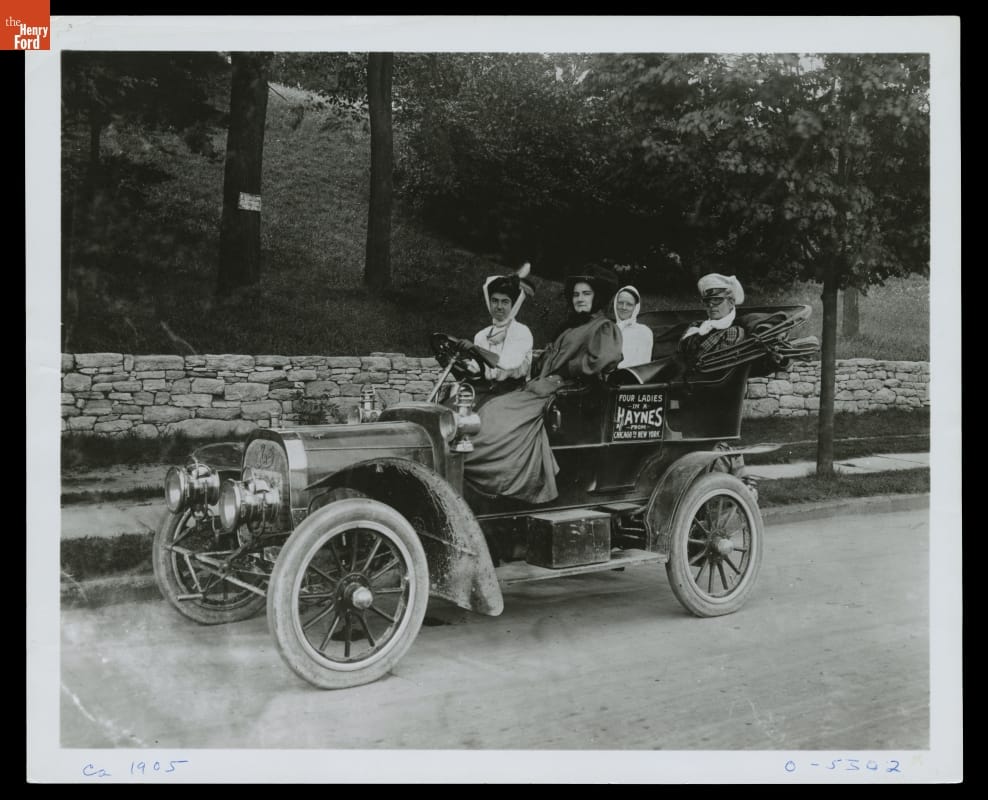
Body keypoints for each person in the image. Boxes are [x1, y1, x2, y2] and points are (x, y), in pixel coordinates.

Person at [463, 265, 624, 504]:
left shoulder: (603, 327)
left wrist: (565, 372)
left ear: (597, 297)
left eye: (586, 294)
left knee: (503, 419)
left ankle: (494, 474)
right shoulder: (572, 327)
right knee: (494, 408)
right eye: (576, 294)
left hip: (567, 393)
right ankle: (474, 464)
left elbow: (602, 360)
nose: (579, 299)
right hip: (542, 387)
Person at [463, 263, 535, 407]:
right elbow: (478, 368)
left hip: (514, 392)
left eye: (505, 302)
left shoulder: (521, 332)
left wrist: (477, 350)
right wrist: (463, 361)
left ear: (513, 305)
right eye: (495, 301)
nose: (499, 307)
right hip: (486, 389)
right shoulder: (482, 335)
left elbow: (508, 363)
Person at [678, 273, 747, 360]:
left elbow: (716, 365)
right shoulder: (696, 326)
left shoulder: (733, 331)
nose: (711, 305)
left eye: (717, 299)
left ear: (731, 302)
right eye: (707, 301)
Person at [613, 285, 654, 368]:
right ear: (615, 304)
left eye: (629, 304)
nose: (624, 307)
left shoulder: (644, 332)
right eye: (620, 303)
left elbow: (643, 365)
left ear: (635, 307)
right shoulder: (608, 329)